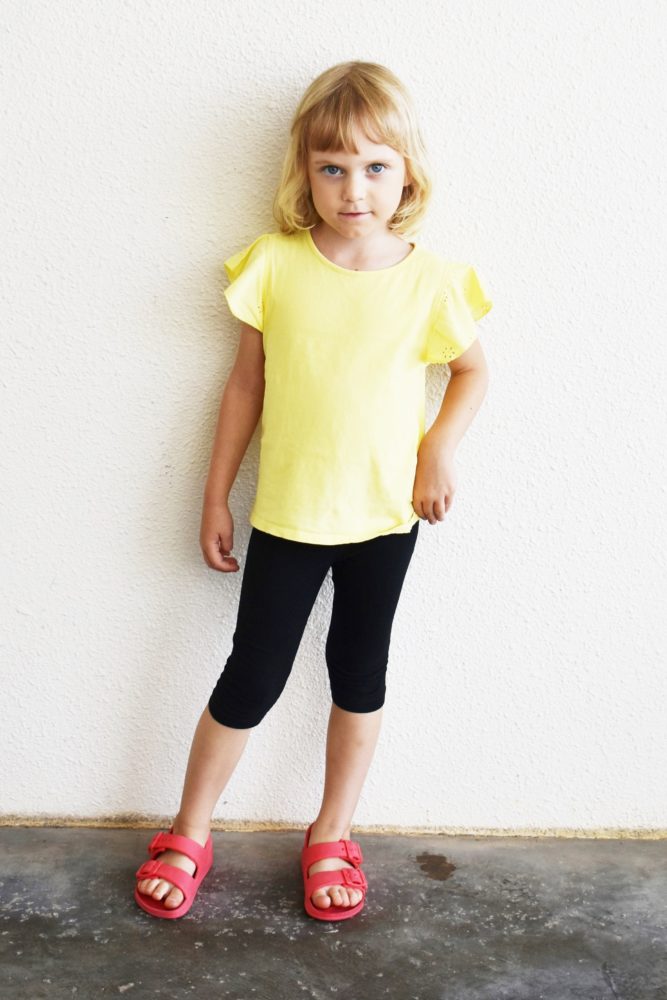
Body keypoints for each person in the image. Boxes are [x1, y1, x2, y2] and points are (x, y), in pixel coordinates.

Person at [134, 60, 492, 923]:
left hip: (385, 519)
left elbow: (472, 372)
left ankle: (331, 831)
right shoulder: (275, 265)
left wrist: (436, 451)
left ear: (407, 174)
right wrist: (213, 496)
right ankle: (190, 828)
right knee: (251, 674)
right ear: (304, 172)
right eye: (331, 167)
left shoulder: (433, 282)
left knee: (357, 674)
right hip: (289, 519)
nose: (352, 188)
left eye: (373, 166)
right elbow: (244, 388)